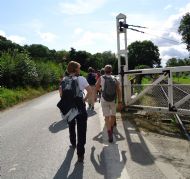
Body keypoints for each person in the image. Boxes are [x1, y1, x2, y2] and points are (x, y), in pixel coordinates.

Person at [59, 61, 91, 162]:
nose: (79, 69)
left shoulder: (64, 80)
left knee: (71, 125)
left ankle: (73, 143)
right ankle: (80, 154)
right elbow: (90, 91)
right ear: (76, 69)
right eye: (79, 68)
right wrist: (84, 100)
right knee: (82, 130)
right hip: (80, 107)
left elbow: (61, 94)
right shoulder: (81, 79)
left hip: (69, 108)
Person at [96, 65, 122, 143]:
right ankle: (111, 127)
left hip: (104, 99)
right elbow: (119, 90)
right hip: (113, 100)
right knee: (113, 116)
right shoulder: (115, 78)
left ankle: (109, 131)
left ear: (104, 70)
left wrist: (101, 91)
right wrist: (120, 101)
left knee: (107, 117)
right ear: (111, 71)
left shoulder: (101, 78)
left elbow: (96, 87)